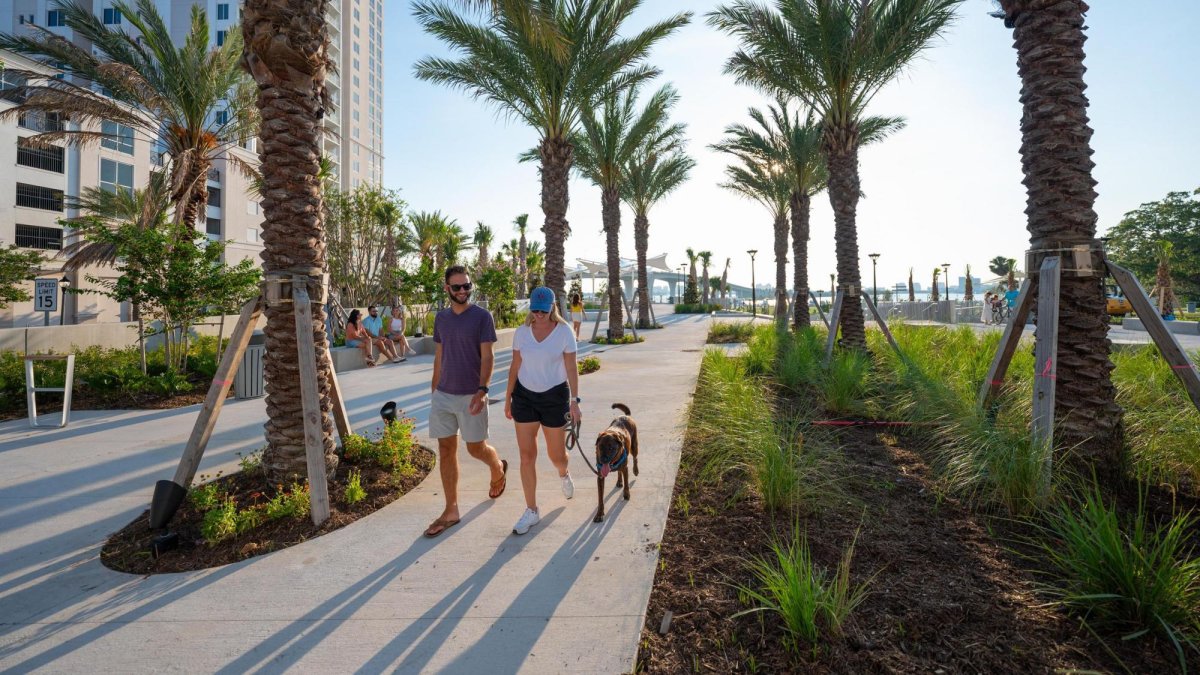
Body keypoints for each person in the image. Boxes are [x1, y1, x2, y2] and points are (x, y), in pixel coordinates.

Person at [424, 266, 508, 537]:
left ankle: (496, 465)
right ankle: (451, 509)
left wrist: (483, 390)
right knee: (446, 450)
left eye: (467, 286)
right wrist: (434, 387)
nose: (463, 291)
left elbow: (488, 357)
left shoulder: (482, 317)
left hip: (472, 394)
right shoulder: (441, 318)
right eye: (457, 287)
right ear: (447, 288)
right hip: (444, 395)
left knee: (475, 449)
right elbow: (440, 354)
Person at [504, 286, 580, 535]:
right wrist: (507, 399)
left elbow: (571, 369)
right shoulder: (522, 333)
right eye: (534, 310)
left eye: (543, 311)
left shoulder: (564, 332)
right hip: (524, 396)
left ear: (552, 308)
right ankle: (531, 510)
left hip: (554, 397)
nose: (538, 315)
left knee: (556, 455)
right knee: (526, 456)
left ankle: (563, 472)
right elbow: (515, 366)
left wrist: (575, 401)